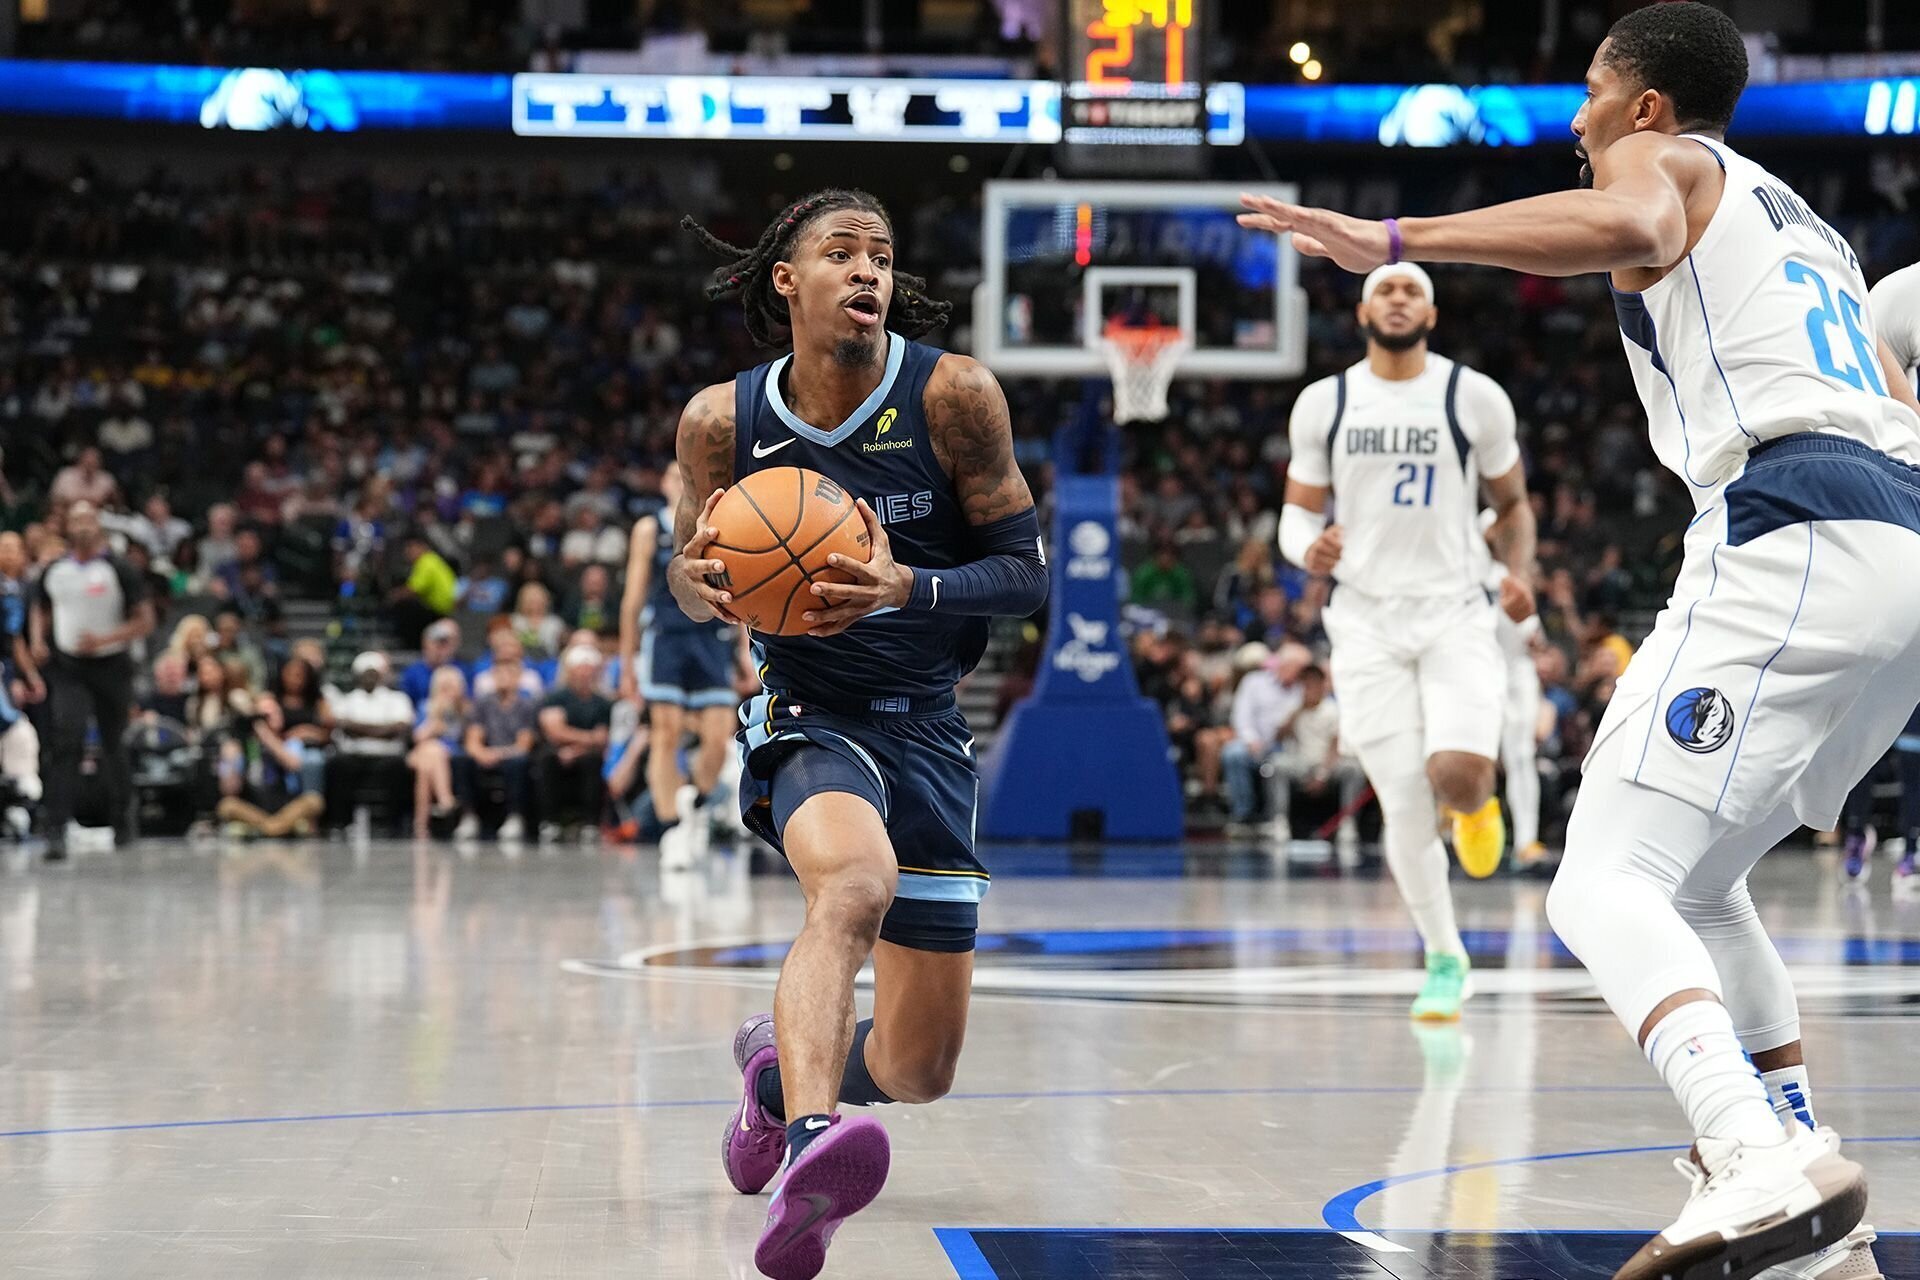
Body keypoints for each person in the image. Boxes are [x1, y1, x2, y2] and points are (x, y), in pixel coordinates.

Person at [1237, 5, 1920, 1274]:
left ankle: (1754, 1157)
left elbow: (1634, 225)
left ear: (1647, 106)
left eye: (1594, 92)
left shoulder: (1669, 166)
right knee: (1699, 884)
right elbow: (1892, 396)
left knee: (1597, 881)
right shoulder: (1804, 223)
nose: (1576, 118)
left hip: (1792, 523)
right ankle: (1803, 1177)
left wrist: (1388, 236)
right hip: (1895, 541)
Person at [675, 189, 1048, 1278]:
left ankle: (777, 1074)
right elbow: (690, 579)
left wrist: (905, 587)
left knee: (922, 1065)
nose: (868, 269)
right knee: (851, 886)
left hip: (928, 723)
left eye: (882, 254)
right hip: (809, 712)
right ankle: (810, 1143)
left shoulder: (955, 396)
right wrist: (697, 583)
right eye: (841, 252)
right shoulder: (720, 420)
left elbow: (1025, 577)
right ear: (787, 280)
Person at [1275, 262, 1536, 1021]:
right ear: (1361, 309)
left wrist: (1517, 572)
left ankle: (1478, 804)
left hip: (1456, 610)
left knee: (1457, 773)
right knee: (1403, 805)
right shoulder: (1327, 402)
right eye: (1385, 289)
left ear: (1433, 309)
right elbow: (1296, 513)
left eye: (1411, 289)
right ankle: (1446, 957)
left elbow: (1513, 504)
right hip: (1364, 621)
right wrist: (1305, 550)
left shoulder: (1473, 396)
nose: (1397, 299)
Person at [618, 465, 742, 868]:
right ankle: (672, 828)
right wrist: (626, 661)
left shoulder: (724, 522)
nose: (680, 481)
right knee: (665, 733)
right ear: (663, 483)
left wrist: (744, 647)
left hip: (712, 637)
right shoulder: (649, 528)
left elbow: (742, 588)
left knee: (718, 738)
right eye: (673, 476)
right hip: (666, 635)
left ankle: (695, 805)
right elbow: (633, 597)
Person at [28, 501, 155, 860]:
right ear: (67, 527)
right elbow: (39, 604)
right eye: (76, 519)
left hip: (111, 666)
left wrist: (106, 639)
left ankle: (123, 821)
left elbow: (144, 620)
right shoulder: (55, 569)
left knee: (113, 743)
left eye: (88, 519)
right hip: (69, 667)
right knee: (66, 739)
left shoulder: (119, 568)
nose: (82, 526)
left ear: (98, 524)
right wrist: (39, 639)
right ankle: (56, 829)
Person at [1265, 663, 1366, 852]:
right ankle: (1279, 821)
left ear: (1322, 685)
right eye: (1306, 683)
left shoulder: (1332, 710)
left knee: (1354, 769)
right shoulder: (1293, 709)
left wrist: (1322, 774)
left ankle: (1347, 823)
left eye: (1314, 683)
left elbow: (1336, 746)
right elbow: (1278, 737)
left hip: (1328, 764)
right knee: (1275, 765)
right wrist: (1296, 713)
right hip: (1301, 762)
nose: (1309, 688)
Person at [325, 652, 415, 835]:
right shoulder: (348, 699)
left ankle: (393, 823)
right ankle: (340, 822)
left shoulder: (397, 698)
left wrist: (361, 729)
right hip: (354, 754)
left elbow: (400, 727)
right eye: (365, 673)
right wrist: (382, 730)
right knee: (337, 765)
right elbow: (344, 726)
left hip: (387, 755)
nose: (369, 677)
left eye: (373, 673)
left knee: (398, 768)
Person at [1221, 642, 1308, 830]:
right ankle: (1243, 814)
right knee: (1233, 753)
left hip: (1288, 747)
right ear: (1285, 664)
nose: (1303, 674)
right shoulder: (1254, 682)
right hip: (1256, 743)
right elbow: (1241, 716)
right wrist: (1251, 740)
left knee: (1281, 763)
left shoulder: (1304, 689)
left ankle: (1275, 818)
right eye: (1300, 668)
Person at [537, 645, 613, 839]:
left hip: (587, 753)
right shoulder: (555, 697)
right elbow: (555, 732)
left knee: (593, 761)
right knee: (547, 759)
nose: (584, 674)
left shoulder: (602, 703)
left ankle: (590, 823)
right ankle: (550, 821)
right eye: (580, 668)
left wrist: (576, 747)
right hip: (558, 751)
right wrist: (587, 738)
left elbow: (603, 737)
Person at [464, 649, 538, 842]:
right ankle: (469, 816)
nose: (503, 678)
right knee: (462, 760)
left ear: (518, 678)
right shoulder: (482, 703)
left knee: (518, 763)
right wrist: (481, 753)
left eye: (509, 673)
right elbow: (473, 739)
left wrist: (498, 754)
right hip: (487, 754)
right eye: (499, 673)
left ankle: (515, 816)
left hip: (511, 755)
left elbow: (524, 744)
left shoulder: (526, 705)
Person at [409, 665, 469, 840]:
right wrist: (436, 718)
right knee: (432, 751)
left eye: (452, 687)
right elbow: (419, 737)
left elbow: (465, 738)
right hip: (425, 751)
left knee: (427, 762)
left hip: (449, 752)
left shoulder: (466, 710)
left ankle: (421, 824)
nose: (448, 692)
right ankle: (446, 802)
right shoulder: (426, 706)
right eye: (444, 688)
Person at [389, 532, 457, 650]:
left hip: (439, 611)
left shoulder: (426, 561)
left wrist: (394, 595)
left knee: (404, 606)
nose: (407, 552)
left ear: (422, 546)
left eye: (411, 547)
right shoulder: (433, 559)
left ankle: (411, 646)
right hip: (438, 608)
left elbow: (413, 589)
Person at [401, 618, 466, 708]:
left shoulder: (460, 669)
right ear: (425, 643)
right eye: (436, 643)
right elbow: (407, 703)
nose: (440, 648)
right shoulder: (413, 673)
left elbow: (467, 701)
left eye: (444, 644)